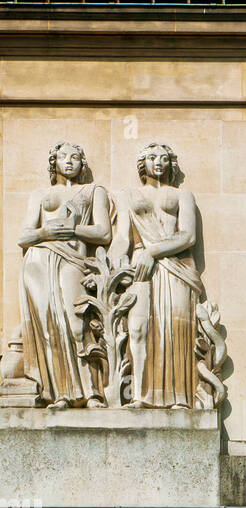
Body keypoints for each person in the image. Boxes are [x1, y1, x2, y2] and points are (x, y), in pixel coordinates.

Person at [17, 141, 112, 408]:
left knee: (76, 323)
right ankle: (62, 393)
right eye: (63, 157)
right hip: (39, 260)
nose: (69, 161)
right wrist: (45, 233)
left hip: (73, 258)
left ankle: (93, 391)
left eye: (75, 157)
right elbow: (24, 235)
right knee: (50, 327)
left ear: (83, 164)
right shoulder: (40, 194)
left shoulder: (93, 191)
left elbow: (103, 232)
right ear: (54, 162)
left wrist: (73, 230)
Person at [110, 142, 203, 408]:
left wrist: (152, 252)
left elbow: (188, 236)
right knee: (138, 329)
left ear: (170, 164)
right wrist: (116, 264)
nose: (158, 162)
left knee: (175, 328)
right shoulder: (128, 195)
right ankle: (139, 394)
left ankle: (179, 397)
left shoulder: (182, 196)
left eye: (163, 158)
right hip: (140, 267)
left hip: (175, 266)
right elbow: (121, 238)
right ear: (143, 164)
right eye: (151, 157)